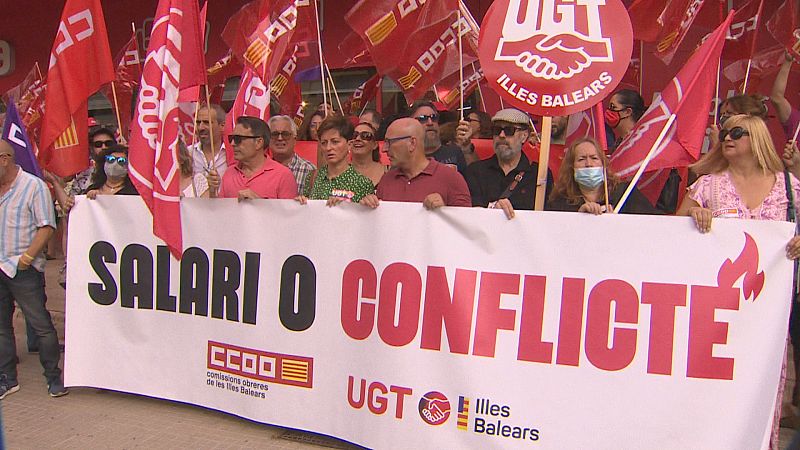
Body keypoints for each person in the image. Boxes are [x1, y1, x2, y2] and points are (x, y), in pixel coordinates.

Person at [676, 114, 800, 449]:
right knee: (716, 388)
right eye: (724, 133)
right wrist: (693, 214)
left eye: (736, 132)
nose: (726, 137)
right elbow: (673, 232)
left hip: (769, 316)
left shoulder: (789, 185)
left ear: (757, 137)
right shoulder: (708, 184)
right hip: (717, 314)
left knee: (763, 386)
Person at [0, 139, 68, 398]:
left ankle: (53, 378)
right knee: (2, 327)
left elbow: (46, 226)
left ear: (5, 159)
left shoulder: (33, 186)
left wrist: (26, 258)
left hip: (23, 269)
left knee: (40, 325)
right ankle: (7, 378)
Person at [360, 118, 471, 210]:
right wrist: (368, 208)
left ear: (412, 143)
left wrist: (445, 210)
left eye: (390, 142)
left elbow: (465, 227)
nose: (384, 149)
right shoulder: (386, 180)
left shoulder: (451, 178)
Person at [464, 108, 553, 219]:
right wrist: (493, 209)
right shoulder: (476, 171)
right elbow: (469, 213)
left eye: (509, 130)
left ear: (524, 136)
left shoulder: (539, 174)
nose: (501, 135)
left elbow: (548, 216)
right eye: (496, 130)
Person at [547, 137, 660, 214]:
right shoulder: (560, 200)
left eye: (594, 158)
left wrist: (618, 224)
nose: (589, 164)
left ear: (604, 164)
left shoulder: (624, 193)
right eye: (581, 159)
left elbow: (649, 225)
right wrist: (578, 218)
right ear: (572, 167)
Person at [208, 116, 297, 200]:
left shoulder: (283, 175)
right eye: (231, 138)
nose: (233, 143)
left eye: (238, 139)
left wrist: (258, 203)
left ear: (258, 142)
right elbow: (221, 213)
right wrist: (212, 192)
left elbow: (288, 215)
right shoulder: (229, 173)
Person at [297, 116, 374, 206]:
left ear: (349, 145)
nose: (328, 148)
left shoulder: (362, 184)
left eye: (335, 142)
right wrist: (301, 202)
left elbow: (364, 217)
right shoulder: (313, 177)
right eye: (324, 143)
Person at [409, 100, 467, 172]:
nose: (430, 123)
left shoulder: (455, 152)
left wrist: (467, 148)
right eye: (422, 118)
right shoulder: (406, 159)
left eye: (434, 117)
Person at [268, 115, 316, 195]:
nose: (280, 138)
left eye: (285, 134)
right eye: (275, 134)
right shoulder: (260, 171)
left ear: (294, 139)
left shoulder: (309, 170)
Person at [191, 104, 228, 178]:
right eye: (198, 123)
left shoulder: (232, 155)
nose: (201, 128)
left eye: (207, 122)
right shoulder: (189, 154)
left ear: (222, 125)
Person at [350, 122, 387, 186]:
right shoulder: (340, 171)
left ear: (375, 145)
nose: (358, 139)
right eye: (355, 135)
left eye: (365, 136)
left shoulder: (388, 171)